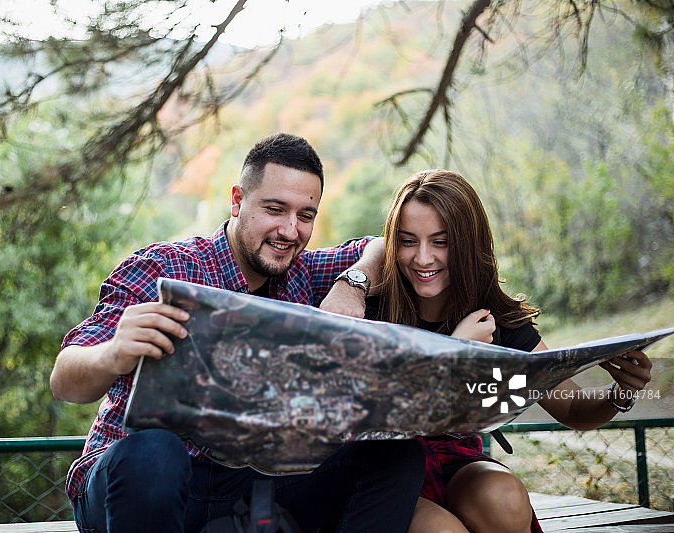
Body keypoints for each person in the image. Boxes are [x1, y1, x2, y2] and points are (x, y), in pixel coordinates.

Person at [50, 132, 425, 533]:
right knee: (157, 450)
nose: (289, 230)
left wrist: (353, 283)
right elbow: (64, 380)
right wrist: (111, 354)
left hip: (247, 486)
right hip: (138, 485)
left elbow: (382, 245)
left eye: (305, 215)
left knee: (395, 454)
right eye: (275, 209)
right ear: (237, 200)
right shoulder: (163, 268)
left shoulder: (302, 272)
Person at [358, 169, 653, 533]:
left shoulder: (498, 321)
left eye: (441, 241)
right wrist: (454, 353)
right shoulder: (370, 311)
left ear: (467, 243)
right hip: (383, 465)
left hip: (454, 460)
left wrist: (622, 393)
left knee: (505, 496)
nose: (423, 258)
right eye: (407, 241)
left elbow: (574, 409)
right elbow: (369, 416)